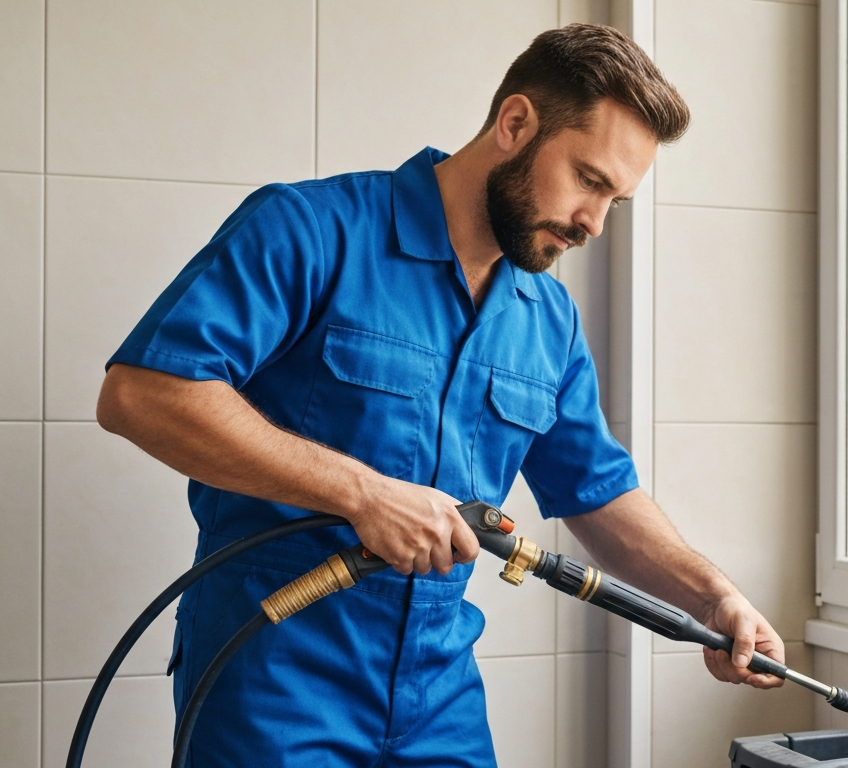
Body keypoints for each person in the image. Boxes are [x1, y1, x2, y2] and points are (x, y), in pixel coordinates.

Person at [96, 23, 783, 767]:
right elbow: (143, 393)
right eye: (589, 180)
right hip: (272, 682)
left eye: (615, 200)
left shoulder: (547, 320)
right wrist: (364, 494)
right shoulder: (312, 230)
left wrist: (710, 595)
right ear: (514, 124)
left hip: (437, 696)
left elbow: (598, 493)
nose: (594, 223)